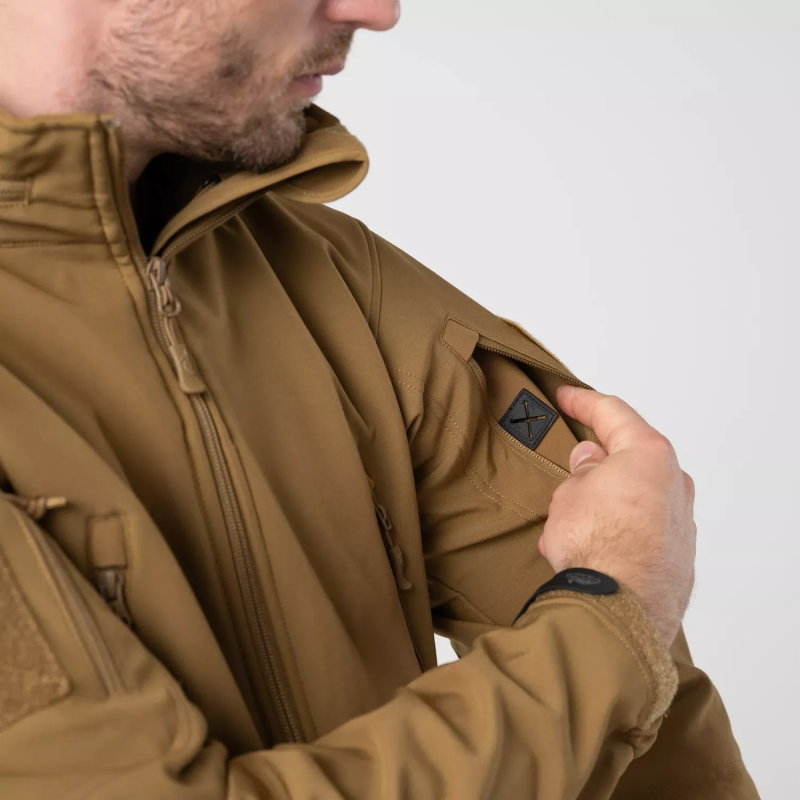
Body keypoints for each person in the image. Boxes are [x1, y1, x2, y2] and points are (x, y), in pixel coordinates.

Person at [0, 1, 758, 798]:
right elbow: (626, 610)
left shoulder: (328, 280)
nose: (377, 10)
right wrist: (608, 621)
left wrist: (613, 613)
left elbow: (656, 729)